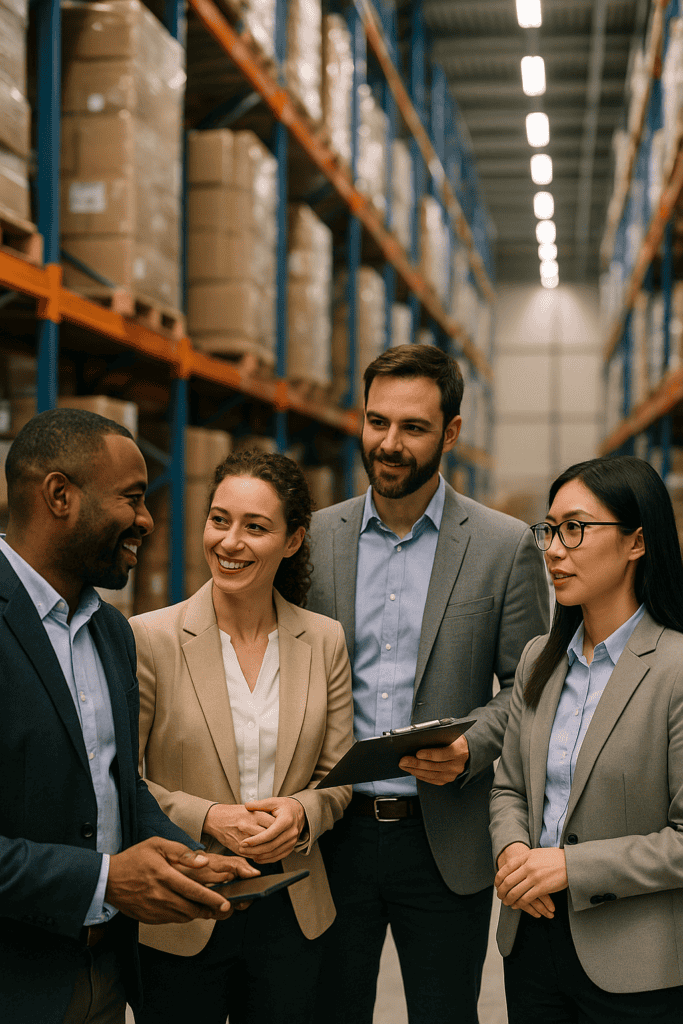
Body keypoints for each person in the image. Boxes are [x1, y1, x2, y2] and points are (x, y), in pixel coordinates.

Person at [307, 344, 549, 1024]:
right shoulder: (317, 540)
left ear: (450, 432)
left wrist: (472, 747)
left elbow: (528, 688)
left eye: (411, 427)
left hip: (443, 841)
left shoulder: (503, 547)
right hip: (333, 834)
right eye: (375, 421)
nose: (388, 444)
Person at [0, 408, 258, 1024]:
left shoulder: (112, 632)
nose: (147, 519)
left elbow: (116, 786)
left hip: (107, 977)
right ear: (59, 495)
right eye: (133, 498)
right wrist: (103, 880)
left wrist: (189, 861)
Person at [129, 448, 354, 1024]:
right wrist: (210, 818)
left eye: (256, 527)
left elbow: (339, 776)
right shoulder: (150, 639)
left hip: (292, 908)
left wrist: (302, 813)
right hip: (184, 906)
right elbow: (125, 781)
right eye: (219, 519)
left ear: (293, 540)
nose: (230, 542)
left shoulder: (324, 641)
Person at [490, 455, 683, 1022]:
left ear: (636, 542)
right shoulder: (538, 661)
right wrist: (514, 854)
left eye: (575, 528)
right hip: (531, 941)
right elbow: (508, 789)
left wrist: (571, 867)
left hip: (635, 967)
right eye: (549, 530)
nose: (553, 549)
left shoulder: (674, 669)